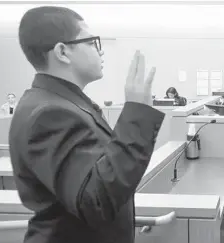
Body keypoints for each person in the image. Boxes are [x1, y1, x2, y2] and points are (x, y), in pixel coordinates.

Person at [9, 6, 164, 243]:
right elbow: (97, 200)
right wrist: (136, 114)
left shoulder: (63, 103)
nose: (100, 52)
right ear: (62, 52)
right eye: (92, 43)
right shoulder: (49, 113)